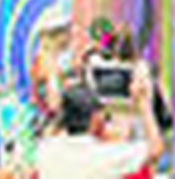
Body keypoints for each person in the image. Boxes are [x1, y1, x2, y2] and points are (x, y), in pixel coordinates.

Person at [35, 68, 164, 179]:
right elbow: (155, 149)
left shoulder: (45, 150)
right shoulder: (105, 156)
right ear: (95, 119)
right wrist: (143, 103)